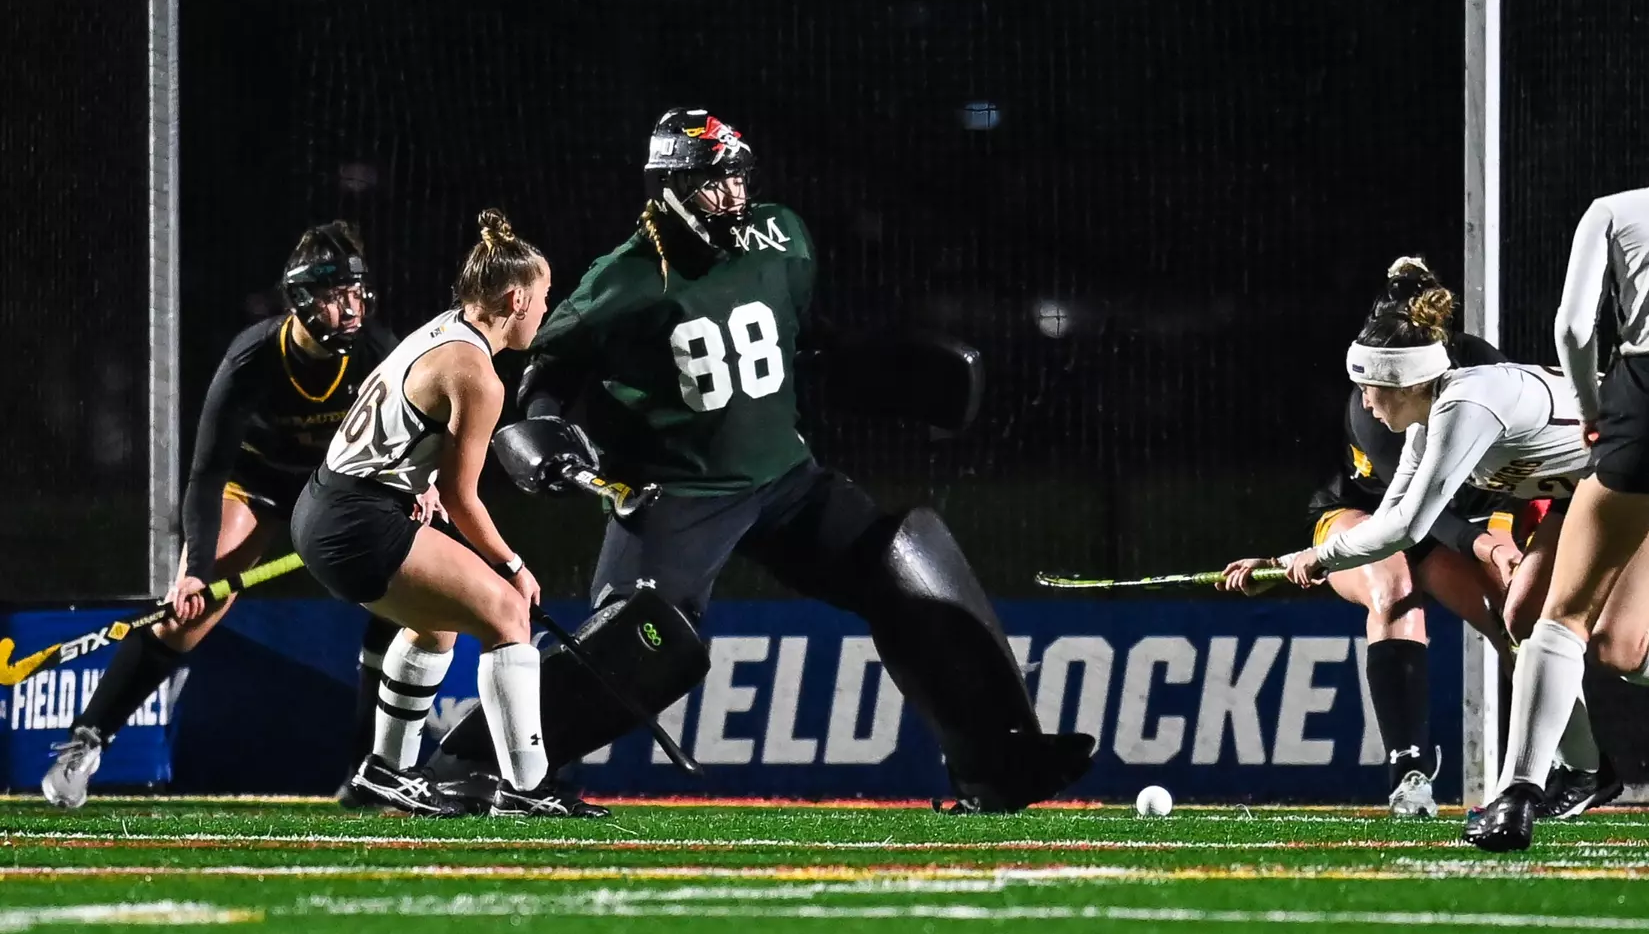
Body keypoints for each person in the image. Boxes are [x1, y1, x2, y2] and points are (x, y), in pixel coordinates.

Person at [437, 108, 1093, 813]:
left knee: (905, 561)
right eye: (713, 182)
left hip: (786, 479)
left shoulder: (780, 237)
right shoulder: (621, 282)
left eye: (737, 178)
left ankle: (999, 764)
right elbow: (550, 371)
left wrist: (874, 372)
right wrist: (541, 427)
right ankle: (472, 766)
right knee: (647, 640)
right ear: (671, 187)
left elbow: (805, 335)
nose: (733, 195)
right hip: (673, 495)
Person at [1220, 283, 1613, 823]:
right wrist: (1294, 561)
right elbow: (1395, 521)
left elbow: (1408, 522)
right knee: (1524, 617)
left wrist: (1315, 561)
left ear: (1401, 383)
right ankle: (1576, 774)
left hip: (1624, 480)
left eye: (1368, 388)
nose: (1362, 402)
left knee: (1621, 648)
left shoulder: (1465, 403)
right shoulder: (1421, 420)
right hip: (1583, 494)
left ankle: (1543, 780)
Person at [42, 223, 402, 810]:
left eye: (358, 292)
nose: (352, 307)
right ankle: (86, 743)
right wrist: (196, 569)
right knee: (191, 612)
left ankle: (369, 772)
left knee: (402, 599)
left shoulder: (379, 354)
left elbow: (418, 435)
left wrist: (423, 485)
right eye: (339, 295)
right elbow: (207, 473)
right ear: (306, 301)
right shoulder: (254, 356)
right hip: (257, 484)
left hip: (337, 490)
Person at [291, 208, 579, 818]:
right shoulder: (479, 376)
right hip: (358, 518)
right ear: (514, 299)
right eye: (544, 297)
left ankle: (386, 774)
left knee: (436, 624)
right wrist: (512, 564)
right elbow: (462, 497)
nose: (547, 309)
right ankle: (528, 790)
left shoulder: (445, 329)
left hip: (326, 506)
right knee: (505, 612)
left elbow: (407, 439)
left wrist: (412, 478)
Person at [1301, 258, 1520, 817]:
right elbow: (1410, 516)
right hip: (1371, 516)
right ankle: (1410, 771)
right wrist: (1486, 544)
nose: (1369, 391)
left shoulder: (1481, 370)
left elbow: (1509, 470)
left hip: (1456, 521)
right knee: (1393, 590)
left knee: (1516, 620)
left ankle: (1558, 769)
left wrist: (1502, 536)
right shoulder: (1372, 409)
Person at [1469, 188, 1649, 850]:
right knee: (1615, 645)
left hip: (1641, 396)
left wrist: (1591, 409)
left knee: (1562, 618)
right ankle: (1574, 775)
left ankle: (1516, 793)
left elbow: (1573, 329)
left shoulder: (1615, 209)